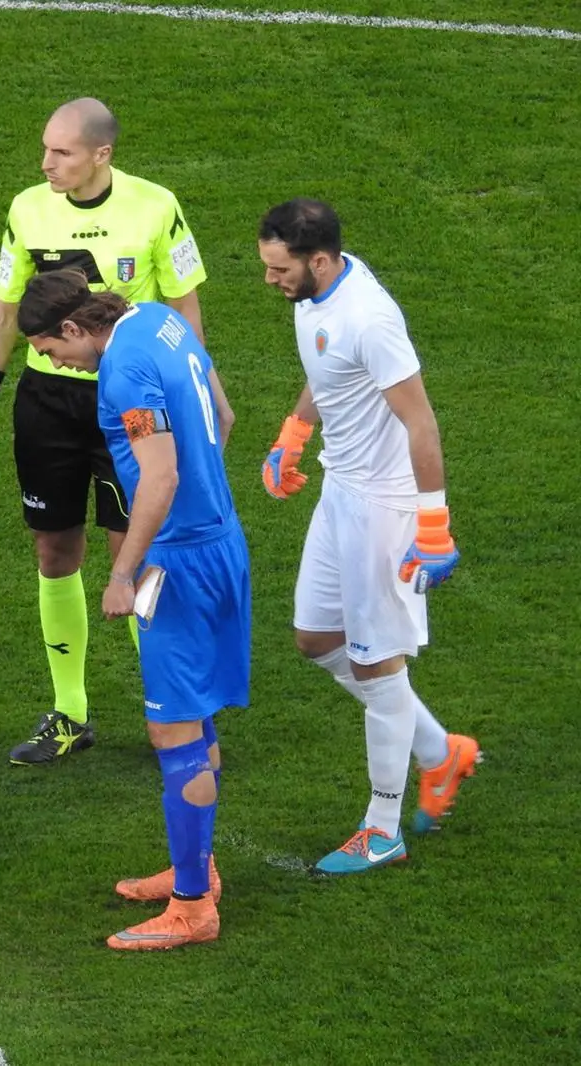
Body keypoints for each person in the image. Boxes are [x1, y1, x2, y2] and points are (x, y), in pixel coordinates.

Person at [0, 98, 233, 766]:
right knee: (54, 552)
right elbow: (3, 311)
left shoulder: (155, 205)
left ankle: (171, 705)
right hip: (49, 402)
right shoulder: (27, 209)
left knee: (137, 554)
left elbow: (185, 305)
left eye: (61, 153)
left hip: (130, 401)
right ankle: (69, 713)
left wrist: (205, 395)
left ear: (101, 155)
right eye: (46, 150)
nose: (46, 164)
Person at [18, 270, 245, 950]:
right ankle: (194, 868)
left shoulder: (120, 376)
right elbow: (224, 418)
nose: (52, 362)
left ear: (73, 329)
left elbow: (162, 475)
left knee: (172, 734)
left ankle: (192, 907)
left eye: (49, 348)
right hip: (218, 539)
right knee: (194, 717)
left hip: (178, 562)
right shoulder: (158, 319)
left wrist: (124, 571)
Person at [257, 199, 478, 875]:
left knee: (378, 664)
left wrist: (433, 527)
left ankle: (383, 827)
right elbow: (330, 372)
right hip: (339, 491)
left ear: (316, 259)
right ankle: (442, 751)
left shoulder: (370, 318)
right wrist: (295, 432)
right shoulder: (323, 289)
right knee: (317, 641)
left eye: (278, 268)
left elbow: (422, 426)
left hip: (383, 507)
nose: (270, 280)